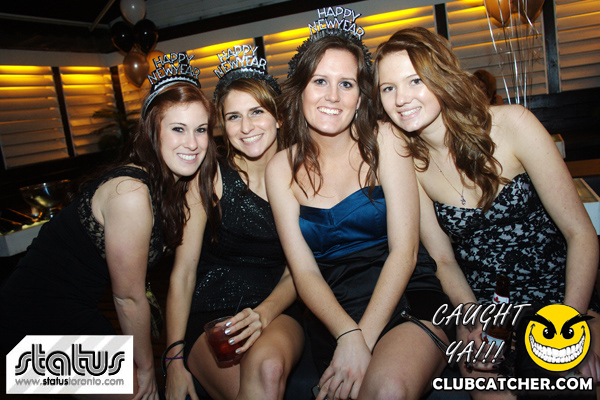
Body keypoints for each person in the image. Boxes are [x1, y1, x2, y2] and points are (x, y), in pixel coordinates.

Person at [373, 26, 600, 397]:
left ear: (441, 77)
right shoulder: (409, 163)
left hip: (560, 297)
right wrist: (471, 319)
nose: (401, 98)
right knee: (487, 388)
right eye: (388, 88)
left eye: (415, 80)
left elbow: (581, 233)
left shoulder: (513, 125)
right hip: (488, 309)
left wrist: (570, 325)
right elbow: (443, 259)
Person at [0, 54, 216, 400]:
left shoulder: (170, 184)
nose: (192, 143)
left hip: (75, 310)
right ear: (153, 131)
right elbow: (128, 297)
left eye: (200, 129)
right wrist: (146, 370)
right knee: (136, 390)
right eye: (178, 128)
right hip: (28, 322)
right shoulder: (130, 193)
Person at [266, 14, 450, 400]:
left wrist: (361, 339)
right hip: (332, 316)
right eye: (320, 81)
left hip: (405, 295)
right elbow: (303, 271)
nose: (332, 96)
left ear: (361, 96)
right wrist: (347, 334)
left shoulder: (386, 140)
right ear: (301, 90)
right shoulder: (280, 168)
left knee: (386, 390)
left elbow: (405, 252)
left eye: (346, 83)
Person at [164, 56, 304, 400]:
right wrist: (173, 359)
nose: (246, 127)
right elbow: (183, 273)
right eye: (233, 117)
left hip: (276, 307)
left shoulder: (302, 176)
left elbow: (298, 271)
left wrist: (262, 314)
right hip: (210, 312)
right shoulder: (209, 178)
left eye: (257, 112)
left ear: (279, 117)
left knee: (268, 370)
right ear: (222, 126)